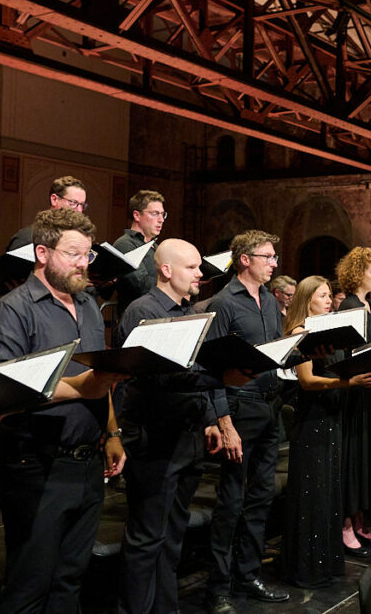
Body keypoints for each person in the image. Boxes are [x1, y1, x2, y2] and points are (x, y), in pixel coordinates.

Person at [0, 208, 125, 614]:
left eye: (89, 255)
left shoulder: (90, 305)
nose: (84, 263)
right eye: (74, 254)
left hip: (88, 460)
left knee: (70, 580)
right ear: (42, 252)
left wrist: (111, 433)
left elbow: (101, 377)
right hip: (35, 462)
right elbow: (6, 389)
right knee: (29, 584)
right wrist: (80, 389)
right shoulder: (13, 309)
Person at [116, 239, 226, 614]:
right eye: (193, 268)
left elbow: (198, 367)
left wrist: (212, 419)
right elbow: (152, 377)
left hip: (189, 435)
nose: (200, 274)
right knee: (147, 537)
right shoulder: (142, 311)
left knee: (173, 536)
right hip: (155, 439)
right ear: (166, 270)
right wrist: (220, 377)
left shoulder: (190, 312)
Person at [204, 230, 290, 613]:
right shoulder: (224, 303)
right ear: (245, 260)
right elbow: (214, 369)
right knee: (231, 503)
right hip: (240, 409)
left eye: (274, 256)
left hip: (269, 408)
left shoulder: (269, 300)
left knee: (259, 500)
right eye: (267, 256)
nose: (274, 263)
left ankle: (248, 574)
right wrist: (224, 423)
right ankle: (218, 587)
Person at [281, 276, 371, 586]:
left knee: (328, 493)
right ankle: (304, 569)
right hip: (311, 420)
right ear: (307, 299)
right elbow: (307, 381)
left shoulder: (331, 330)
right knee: (311, 495)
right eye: (322, 296)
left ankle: (323, 565)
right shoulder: (301, 331)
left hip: (332, 416)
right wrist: (347, 383)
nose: (329, 300)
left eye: (329, 295)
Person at [334, 246, 371, 555]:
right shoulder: (351, 307)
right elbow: (346, 355)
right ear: (358, 274)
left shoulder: (367, 306)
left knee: (365, 455)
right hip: (355, 394)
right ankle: (344, 524)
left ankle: (357, 520)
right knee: (353, 459)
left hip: (370, 391)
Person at [114, 190, 165, 316]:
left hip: (158, 310)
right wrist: (175, 283)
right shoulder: (125, 244)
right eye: (155, 214)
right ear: (137, 215)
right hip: (138, 315)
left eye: (163, 214)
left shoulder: (156, 246)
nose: (161, 220)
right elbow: (142, 284)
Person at [6, 175, 87, 251]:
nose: (79, 210)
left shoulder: (78, 241)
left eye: (82, 205)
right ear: (54, 199)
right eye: (73, 203)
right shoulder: (27, 238)